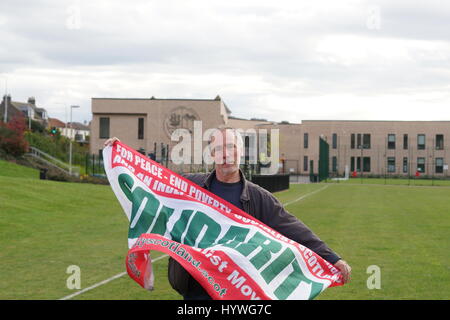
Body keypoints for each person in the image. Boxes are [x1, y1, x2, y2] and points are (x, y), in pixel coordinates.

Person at [104, 128, 351, 300]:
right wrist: (119, 155)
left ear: (240, 152)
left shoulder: (257, 197)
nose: (226, 154)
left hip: (236, 290)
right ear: (212, 155)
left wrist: (332, 258)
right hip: (195, 290)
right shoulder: (190, 187)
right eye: (219, 149)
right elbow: (151, 180)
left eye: (231, 147)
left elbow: (293, 228)